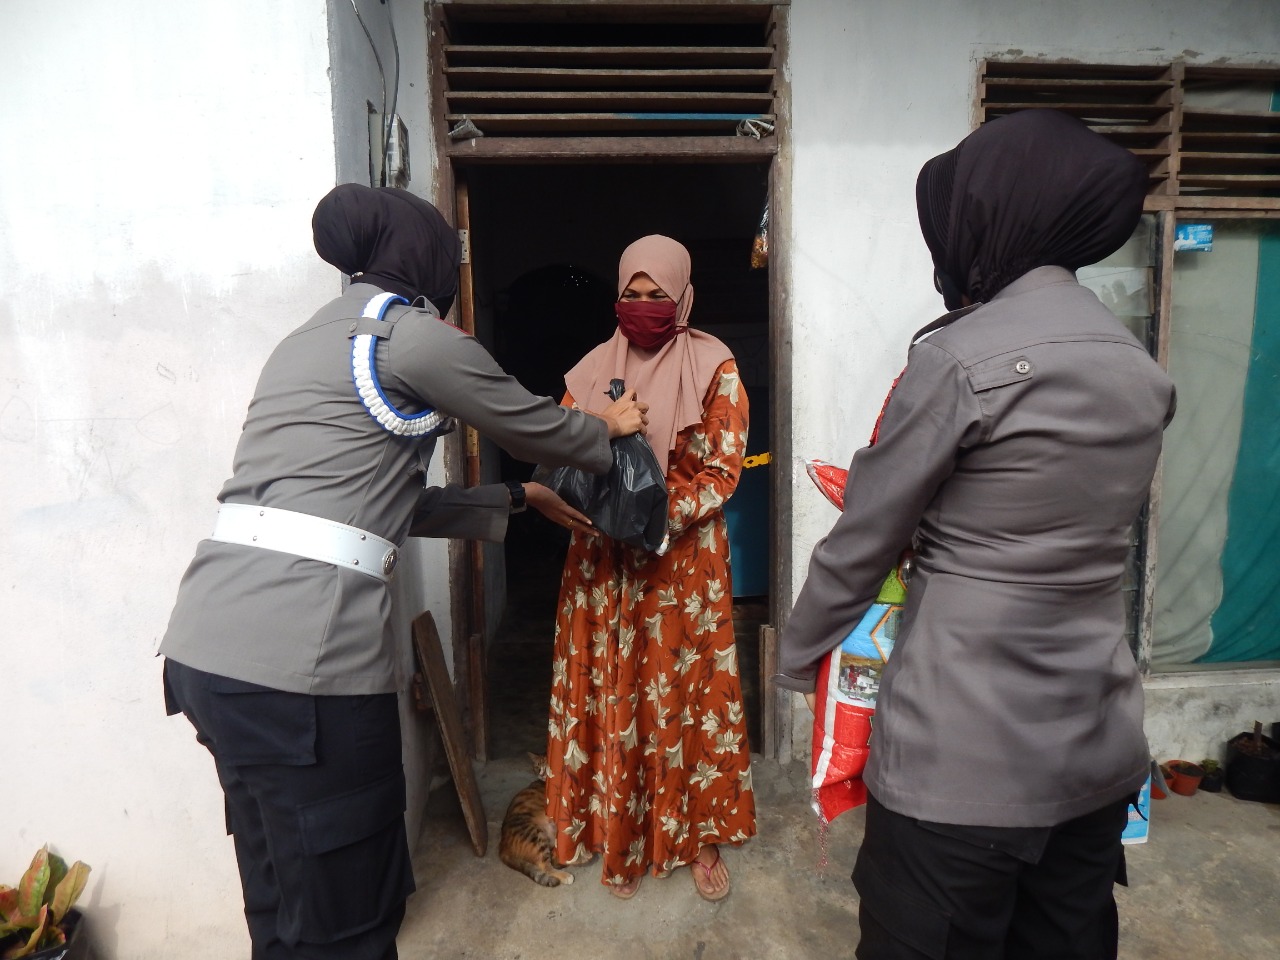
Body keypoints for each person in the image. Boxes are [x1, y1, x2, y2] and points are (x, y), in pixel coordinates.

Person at [159, 183, 647, 960]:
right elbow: (526, 418)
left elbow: (374, 505)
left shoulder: (307, 341)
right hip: (300, 672)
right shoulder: (411, 337)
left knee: (282, 898)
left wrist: (515, 499)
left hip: (208, 657)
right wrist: (604, 430)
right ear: (425, 257)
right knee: (350, 919)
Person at [776, 109, 1176, 959]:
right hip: (1096, 745)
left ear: (994, 217)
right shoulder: (1138, 369)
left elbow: (864, 541)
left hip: (960, 760)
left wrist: (795, 658)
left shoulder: (959, 360)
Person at [543, 235, 756, 902]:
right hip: (604, 566)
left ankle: (699, 837)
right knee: (617, 694)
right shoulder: (588, 371)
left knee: (689, 701)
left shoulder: (715, 365)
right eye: (630, 295)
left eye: (655, 295)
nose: (642, 307)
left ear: (682, 296)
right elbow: (558, 454)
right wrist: (599, 436)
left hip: (680, 566)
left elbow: (724, 470)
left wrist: (659, 517)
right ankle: (622, 837)